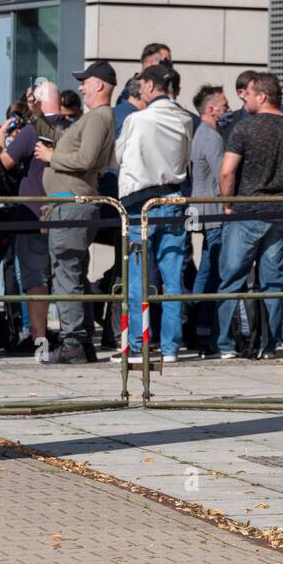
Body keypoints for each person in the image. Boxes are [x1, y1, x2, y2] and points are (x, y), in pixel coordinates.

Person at [215, 72, 283, 359]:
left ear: (263, 96)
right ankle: (268, 345)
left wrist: (228, 203)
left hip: (246, 211)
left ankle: (226, 345)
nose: (244, 98)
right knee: (274, 283)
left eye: (250, 93)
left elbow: (227, 171)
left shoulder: (245, 129)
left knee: (231, 280)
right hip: (282, 214)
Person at [26, 61, 118, 364]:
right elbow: (62, 140)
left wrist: (53, 158)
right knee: (72, 273)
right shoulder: (95, 118)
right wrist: (36, 116)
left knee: (66, 274)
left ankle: (72, 345)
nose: (80, 87)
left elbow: (86, 159)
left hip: (72, 205)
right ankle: (80, 343)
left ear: (100, 85)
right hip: (71, 205)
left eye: (86, 82)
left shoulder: (97, 118)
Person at [114, 62, 193, 362]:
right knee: (172, 276)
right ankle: (171, 347)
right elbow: (185, 159)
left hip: (141, 203)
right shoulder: (184, 118)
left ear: (148, 86)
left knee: (139, 277)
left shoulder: (138, 119)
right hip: (173, 197)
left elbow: (119, 155)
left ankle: (139, 344)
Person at [0, 80, 67, 358]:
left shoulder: (30, 132)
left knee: (35, 278)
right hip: (65, 213)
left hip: (33, 213)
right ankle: (74, 337)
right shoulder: (72, 128)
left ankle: (40, 342)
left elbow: (4, 162)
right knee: (65, 275)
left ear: (37, 101)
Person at [189, 84, 230, 355]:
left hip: (203, 211)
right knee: (212, 272)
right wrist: (229, 204)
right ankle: (201, 327)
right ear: (211, 109)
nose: (228, 110)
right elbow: (221, 175)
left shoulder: (201, 134)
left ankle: (197, 326)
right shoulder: (212, 138)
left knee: (206, 269)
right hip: (213, 212)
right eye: (225, 106)